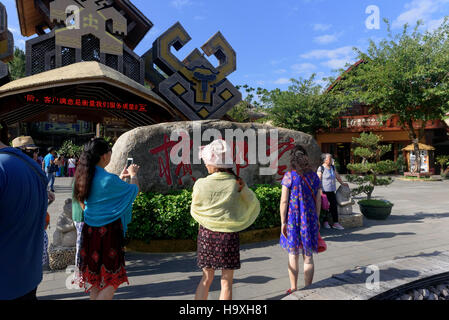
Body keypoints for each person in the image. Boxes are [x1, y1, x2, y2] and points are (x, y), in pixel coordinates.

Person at [191, 139, 261, 300]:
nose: (205, 165)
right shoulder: (237, 183)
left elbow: (195, 206)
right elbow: (253, 204)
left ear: (212, 163)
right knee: (227, 281)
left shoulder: (201, 184)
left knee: (206, 278)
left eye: (206, 161)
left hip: (206, 235)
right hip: (228, 236)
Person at [74, 138, 140, 300]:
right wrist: (133, 175)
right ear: (104, 156)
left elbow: (93, 197)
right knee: (113, 280)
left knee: (96, 281)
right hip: (109, 233)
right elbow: (133, 191)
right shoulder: (109, 179)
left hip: (90, 233)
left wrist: (120, 178)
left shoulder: (84, 176)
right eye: (110, 151)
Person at [0, 130, 51, 300]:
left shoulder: (2, 167)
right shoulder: (35, 170)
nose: (35, 154)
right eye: (32, 151)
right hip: (27, 276)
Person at [280, 145, 322, 295]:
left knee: (293, 255)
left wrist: (282, 222)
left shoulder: (289, 176)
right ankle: (309, 288)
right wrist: (316, 218)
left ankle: (293, 288)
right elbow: (318, 200)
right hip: (310, 219)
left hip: (292, 220)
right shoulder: (314, 176)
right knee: (308, 257)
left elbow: (284, 201)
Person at [317, 154, 349, 230]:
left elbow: (337, 176)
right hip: (324, 191)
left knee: (334, 206)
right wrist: (320, 191)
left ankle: (336, 223)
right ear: (325, 160)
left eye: (331, 159)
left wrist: (342, 183)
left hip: (332, 190)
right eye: (330, 159)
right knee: (325, 207)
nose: (331, 160)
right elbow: (319, 180)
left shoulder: (332, 167)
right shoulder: (321, 168)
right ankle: (325, 222)